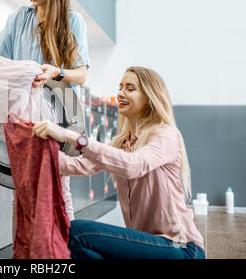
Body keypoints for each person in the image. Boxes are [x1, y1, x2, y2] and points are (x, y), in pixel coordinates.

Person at [32, 66, 206, 259]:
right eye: (120, 87)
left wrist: (70, 136)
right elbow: (77, 165)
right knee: (78, 251)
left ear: (149, 97)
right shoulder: (123, 143)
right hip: (146, 245)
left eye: (130, 89)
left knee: (76, 231)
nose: (121, 93)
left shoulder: (164, 134)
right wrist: (34, 146)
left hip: (181, 248)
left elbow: (133, 165)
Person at [0, 0, 91, 227]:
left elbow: (82, 75)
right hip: (22, 117)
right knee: (24, 190)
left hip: (59, 116)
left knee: (58, 189)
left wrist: (55, 72)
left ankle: (63, 251)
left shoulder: (72, 21)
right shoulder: (19, 17)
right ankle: (28, 252)